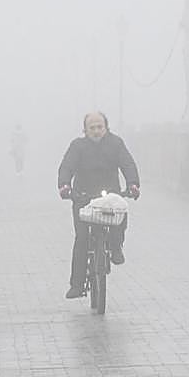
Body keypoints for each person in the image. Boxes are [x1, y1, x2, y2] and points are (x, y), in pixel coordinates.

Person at [57, 111, 140, 299]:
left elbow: (128, 164)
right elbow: (66, 167)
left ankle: (116, 247)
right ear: (85, 130)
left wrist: (133, 184)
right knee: (81, 239)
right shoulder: (77, 146)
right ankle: (77, 285)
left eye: (99, 127)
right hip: (83, 198)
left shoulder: (116, 144)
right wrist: (65, 186)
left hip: (110, 196)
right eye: (92, 128)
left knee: (120, 217)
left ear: (106, 127)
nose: (96, 131)